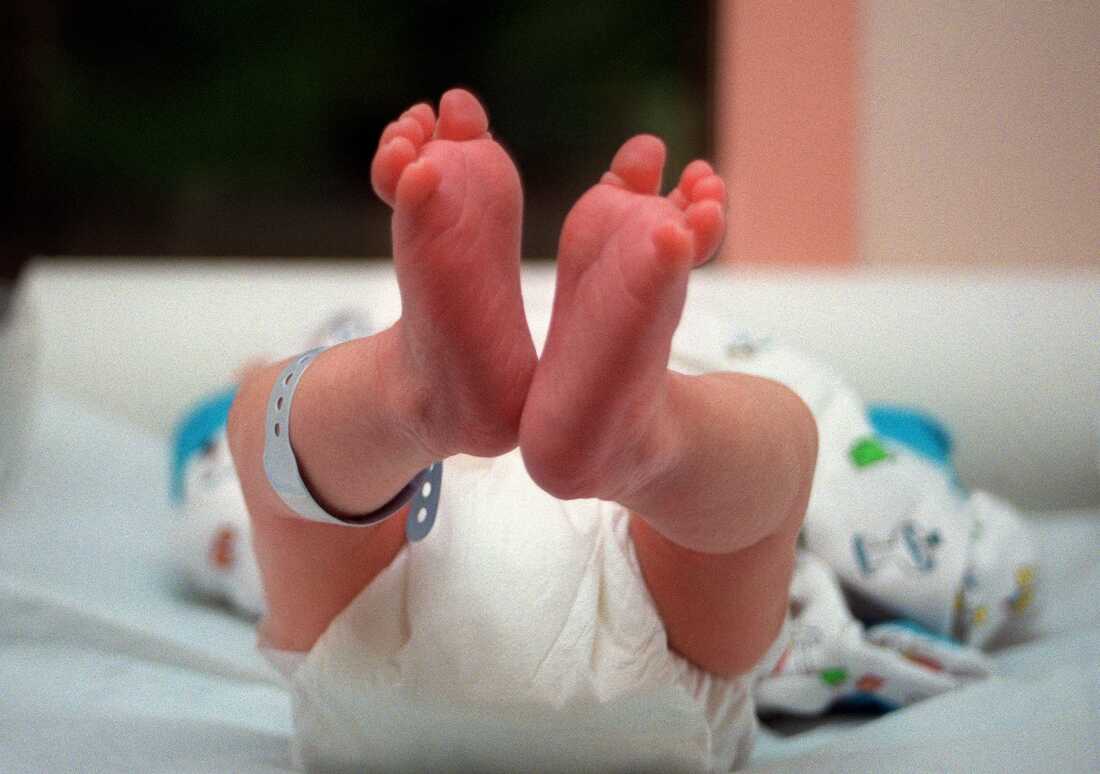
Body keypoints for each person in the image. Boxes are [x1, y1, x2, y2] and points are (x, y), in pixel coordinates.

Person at [225, 88, 814, 770]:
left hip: (363, 639)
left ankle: (407, 392)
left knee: (262, 429)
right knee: (784, 442)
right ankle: (654, 441)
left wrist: (249, 397)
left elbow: (232, 503)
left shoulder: (347, 328)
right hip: (664, 653)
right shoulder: (720, 338)